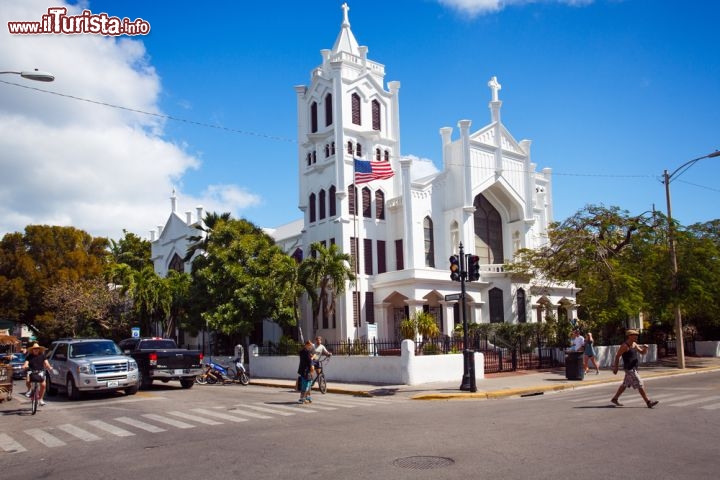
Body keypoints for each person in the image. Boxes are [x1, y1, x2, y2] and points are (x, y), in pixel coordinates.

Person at [611, 330, 658, 408]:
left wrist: (645, 348)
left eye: (637, 335)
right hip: (629, 369)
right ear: (629, 336)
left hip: (634, 368)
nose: (636, 337)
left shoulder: (634, 344)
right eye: (635, 335)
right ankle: (648, 402)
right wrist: (616, 367)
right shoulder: (625, 346)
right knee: (640, 383)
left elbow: (642, 352)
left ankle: (615, 399)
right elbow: (617, 356)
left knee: (625, 385)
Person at [22, 342, 52, 406]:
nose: (36, 349)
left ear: (39, 349)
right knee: (27, 380)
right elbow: (26, 363)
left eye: (37, 348)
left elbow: (46, 363)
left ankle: (41, 399)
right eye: (34, 349)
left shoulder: (43, 356)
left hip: (40, 371)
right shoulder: (29, 356)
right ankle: (29, 390)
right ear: (32, 350)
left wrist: (49, 367)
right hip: (31, 370)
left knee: (43, 385)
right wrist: (25, 366)